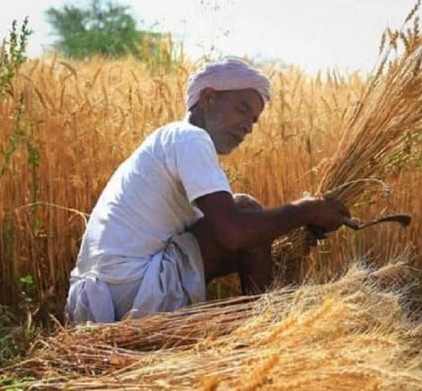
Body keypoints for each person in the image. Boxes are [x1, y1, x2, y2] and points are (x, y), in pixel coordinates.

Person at [65, 58, 350, 324]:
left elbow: (227, 232)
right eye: (242, 109)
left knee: (242, 216)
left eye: (253, 120)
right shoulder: (190, 138)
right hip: (134, 292)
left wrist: (291, 231)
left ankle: (262, 327)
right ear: (208, 98)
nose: (247, 127)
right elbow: (233, 232)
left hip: (93, 304)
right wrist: (308, 210)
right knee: (245, 210)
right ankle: (265, 332)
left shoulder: (169, 140)